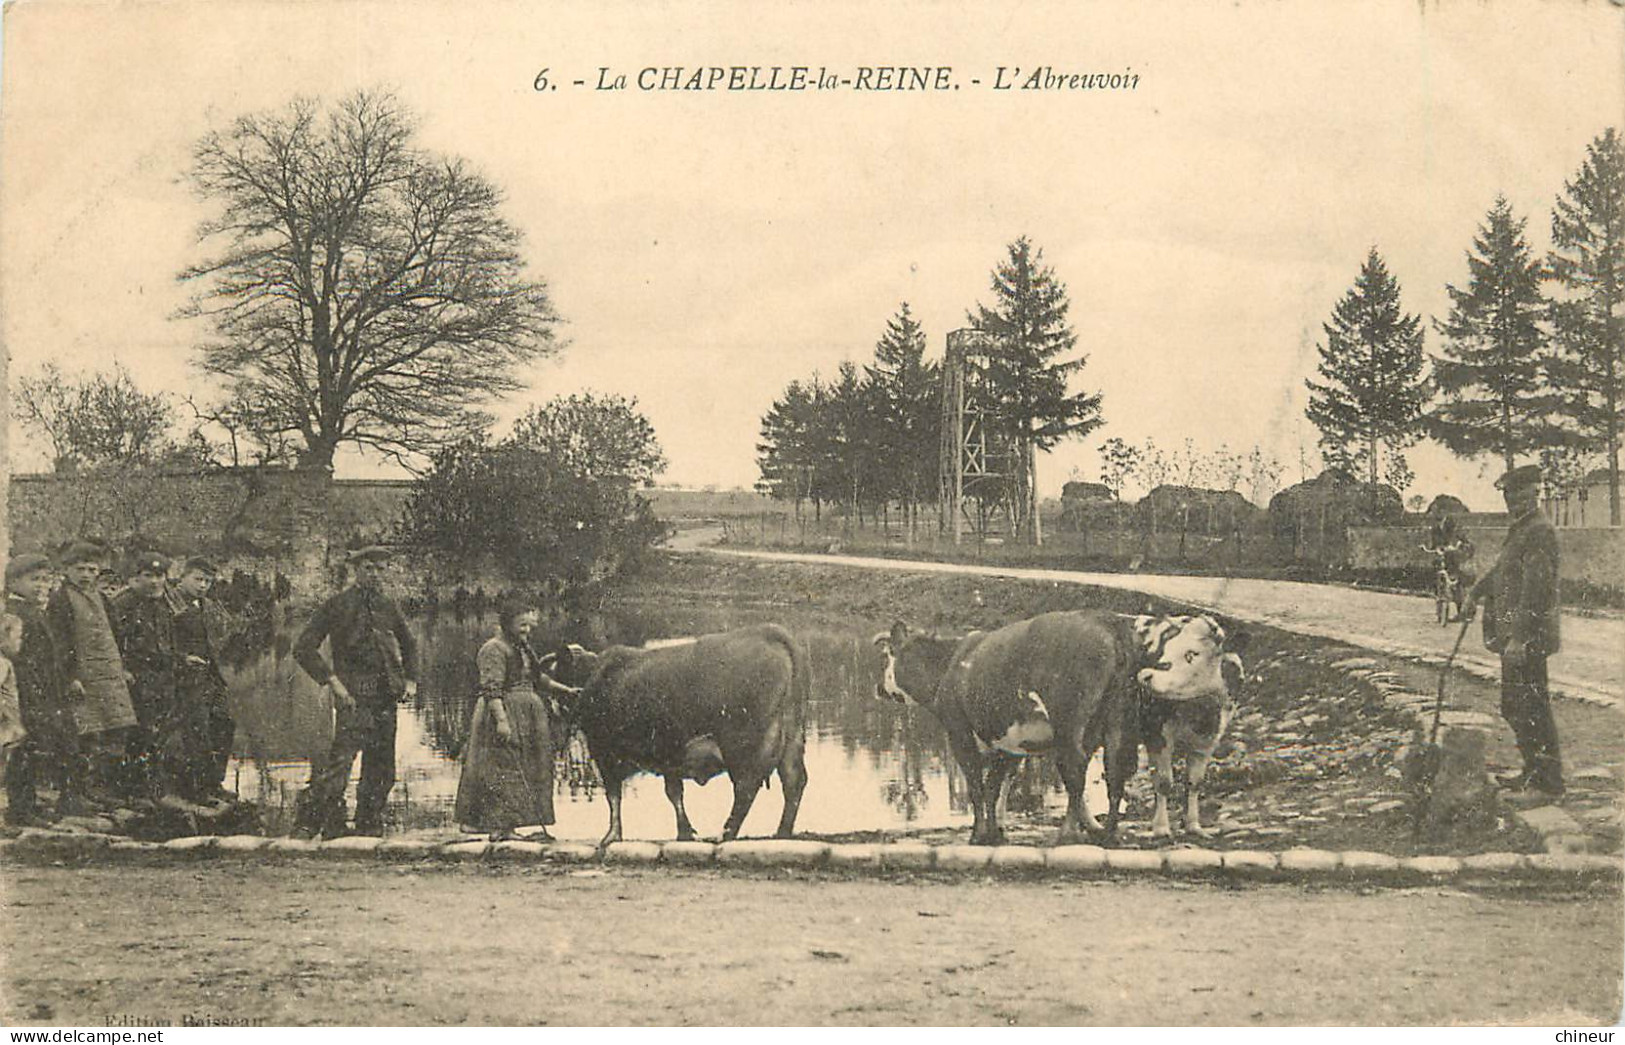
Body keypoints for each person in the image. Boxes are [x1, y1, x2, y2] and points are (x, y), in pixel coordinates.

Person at [292, 546, 419, 838]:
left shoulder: (388, 606)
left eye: (380, 569)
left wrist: (411, 681)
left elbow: (410, 645)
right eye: (368, 569)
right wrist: (333, 683)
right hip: (353, 697)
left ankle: (369, 825)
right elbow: (303, 648)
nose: (374, 574)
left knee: (382, 767)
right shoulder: (337, 605)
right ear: (356, 570)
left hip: (386, 696)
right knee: (340, 765)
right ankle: (309, 825)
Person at [1461, 464, 1563, 798]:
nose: (1511, 501)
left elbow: (1536, 588)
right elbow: (1501, 572)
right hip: (1513, 637)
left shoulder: (1539, 531)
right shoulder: (1521, 529)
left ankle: (1548, 783)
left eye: (1518, 494)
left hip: (1528, 636)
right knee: (1515, 704)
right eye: (1507, 495)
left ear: (1534, 493)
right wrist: (1474, 593)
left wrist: (1520, 636)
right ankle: (1532, 772)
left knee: (1531, 705)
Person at [453, 600, 570, 841]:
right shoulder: (493, 649)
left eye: (529, 625)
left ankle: (511, 823)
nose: (526, 630)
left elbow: (538, 679)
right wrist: (502, 721)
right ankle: (499, 826)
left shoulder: (523, 647)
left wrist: (565, 690)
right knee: (502, 767)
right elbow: (491, 688)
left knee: (527, 767)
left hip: (528, 714)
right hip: (504, 711)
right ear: (507, 623)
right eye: (521, 624)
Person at [47, 541, 138, 805]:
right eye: (80, 569)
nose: (86, 574)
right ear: (67, 569)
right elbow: (60, 643)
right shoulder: (60, 599)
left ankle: (106, 789)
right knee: (86, 734)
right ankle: (81, 792)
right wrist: (70, 676)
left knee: (115, 729)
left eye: (91, 569)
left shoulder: (102, 599)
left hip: (109, 676)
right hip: (83, 679)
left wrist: (123, 667)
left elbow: (114, 636)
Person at [5, 554, 86, 824]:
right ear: (14, 581)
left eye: (45, 579)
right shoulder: (13, 613)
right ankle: (21, 810)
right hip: (26, 691)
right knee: (23, 748)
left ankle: (34, 805)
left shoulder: (35, 610)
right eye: (33, 579)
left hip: (45, 690)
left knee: (42, 745)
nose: (41, 585)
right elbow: (13, 654)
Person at [111, 552, 183, 801]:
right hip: (135, 679)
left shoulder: (165, 602)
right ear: (136, 578)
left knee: (159, 733)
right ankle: (133, 789)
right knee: (137, 734)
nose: (155, 581)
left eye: (159, 575)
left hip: (161, 678)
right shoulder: (123, 603)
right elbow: (112, 641)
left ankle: (153, 787)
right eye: (148, 576)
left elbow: (169, 640)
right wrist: (122, 668)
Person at [170, 557, 237, 803]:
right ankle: (194, 788)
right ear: (183, 576)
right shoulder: (169, 601)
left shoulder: (206, 605)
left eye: (207, 581)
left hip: (209, 676)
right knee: (194, 730)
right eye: (198, 579)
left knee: (224, 723)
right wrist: (181, 659)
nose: (202, 585)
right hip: (182, 677)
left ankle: (213, 782)